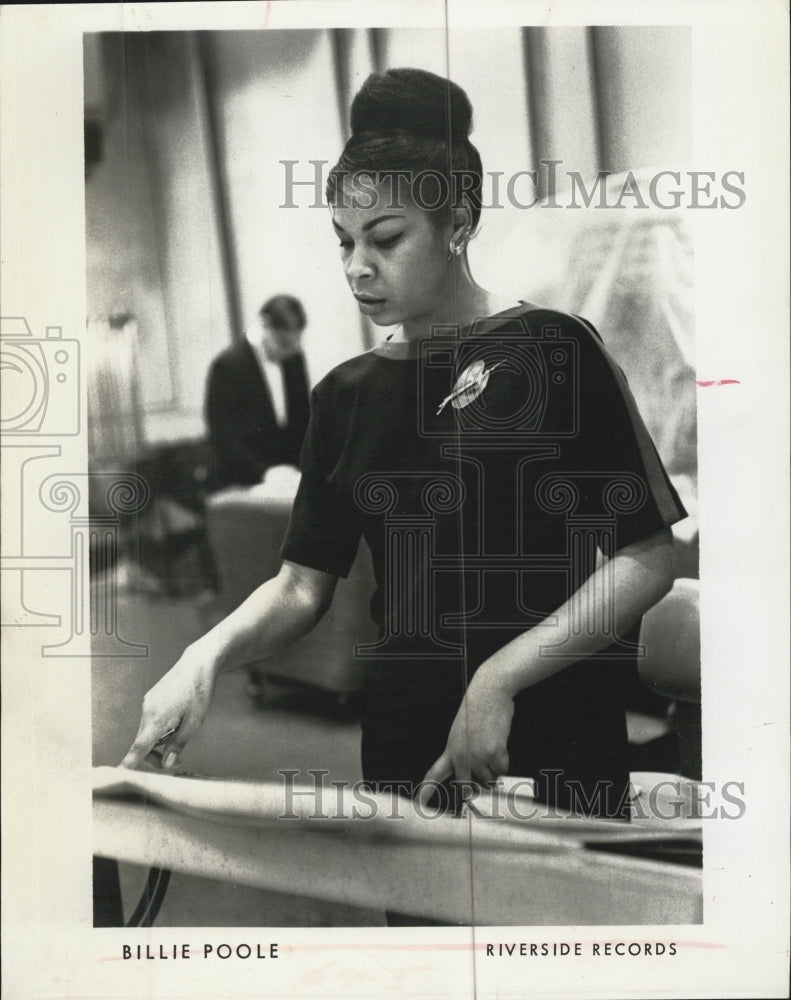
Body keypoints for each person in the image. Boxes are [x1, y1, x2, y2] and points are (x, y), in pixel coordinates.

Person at [123, 69, 686, 908]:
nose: (358, 268)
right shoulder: (346, 395)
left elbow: (647, 556)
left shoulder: (553, 349)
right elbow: (301, 585)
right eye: (343, 242)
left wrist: (498, 680)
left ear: (456, 223)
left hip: (553, 726)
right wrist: (201, 657)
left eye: (384, 239)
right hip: (406, 738)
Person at [204, 294, 311, 490]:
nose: (290, 351)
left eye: (295, 343)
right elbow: (224, 438)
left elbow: (303, 421)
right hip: (245, 482)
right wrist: (265, 473)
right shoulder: (227, 366)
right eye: (284, 344)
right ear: (264, 324)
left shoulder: (294, 358)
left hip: (290, 478)